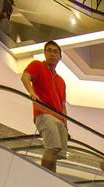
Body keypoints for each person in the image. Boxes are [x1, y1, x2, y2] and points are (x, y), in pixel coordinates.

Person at [21, 40, 67, 173]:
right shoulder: (37, 65)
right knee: (52, 147)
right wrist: (31, 92)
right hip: (44, 112)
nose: (52, 54)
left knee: (57, 151)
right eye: (49, 50)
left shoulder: (61, 80)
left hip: (60, 119)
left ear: (60, 57)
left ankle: (51, 177)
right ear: (45, 53)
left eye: (56, 52)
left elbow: (63, 104)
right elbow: (25, 77)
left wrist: (66, 124)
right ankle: (44, 177)